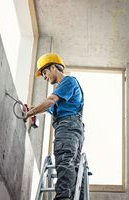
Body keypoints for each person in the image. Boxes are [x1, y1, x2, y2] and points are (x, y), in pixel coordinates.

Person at [25, 53, 85, 200]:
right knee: (73, 169)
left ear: (53, 67)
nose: (44, 77)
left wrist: (28, 114)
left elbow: (50, 101)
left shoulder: (68, 81)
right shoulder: (62, 94)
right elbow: (48, 106)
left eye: (45, 73)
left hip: (67, 128)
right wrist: (32, 109)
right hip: (72, 128)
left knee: (64, 164)